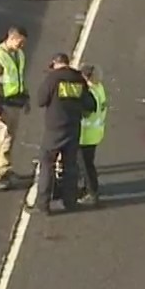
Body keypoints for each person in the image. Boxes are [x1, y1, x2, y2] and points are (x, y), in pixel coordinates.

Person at [31, 52, 96, 214]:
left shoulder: (52, 79)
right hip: (73, 129)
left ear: (55, 63)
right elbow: (90, 104)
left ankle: (43, 205)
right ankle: (70, 202)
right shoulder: (78, 79)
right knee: (70, 167)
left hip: (54, 130)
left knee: (47, 165)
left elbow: (40, 100)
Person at [0, 26, 30, 191]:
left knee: (9, 138)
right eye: (20, 42)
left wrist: (26, 98)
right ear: (12, 38)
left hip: (15, 102)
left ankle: (4, 168)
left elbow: (19, 77)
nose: (22, 46)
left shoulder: (18, 54)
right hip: (2, 104)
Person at [77, 64, 109, 206]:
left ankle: (92, 193)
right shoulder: (99, 88)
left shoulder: (90, 94)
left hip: (86, 135)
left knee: (85, 166)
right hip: (95, 133)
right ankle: (88, 188)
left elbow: (85, 110)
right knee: (88, 164)